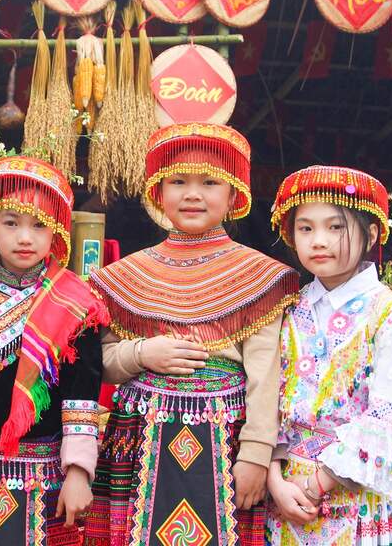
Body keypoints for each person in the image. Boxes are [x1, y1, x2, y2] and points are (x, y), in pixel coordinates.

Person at [85, 123, 298, 545]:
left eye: (210, 182)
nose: (193, 193)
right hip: (138, 434)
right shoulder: (123, 278)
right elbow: (100, 363)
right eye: (178, 181)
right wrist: (142, 353)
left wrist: (256, 453)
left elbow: (266, 372)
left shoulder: (258, 276)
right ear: (158, 193)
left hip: (224, 441)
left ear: (235, 194)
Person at [0, 155, 109, 545]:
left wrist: (78, 472)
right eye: (11, 223)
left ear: (56, 232)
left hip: (44, 473)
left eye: (39, 225)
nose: (25, 237)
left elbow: (82, 394)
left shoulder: (76, 304)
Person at [266, 165, 392, 545]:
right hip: (282, 501)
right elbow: (263, 402)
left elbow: (387, 418)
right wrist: (274, 480)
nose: (318, 240)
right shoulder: (286, 310)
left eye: (335, 227)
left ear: (370, 232)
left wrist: (314, 485)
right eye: (306, 228)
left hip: (358, 503)